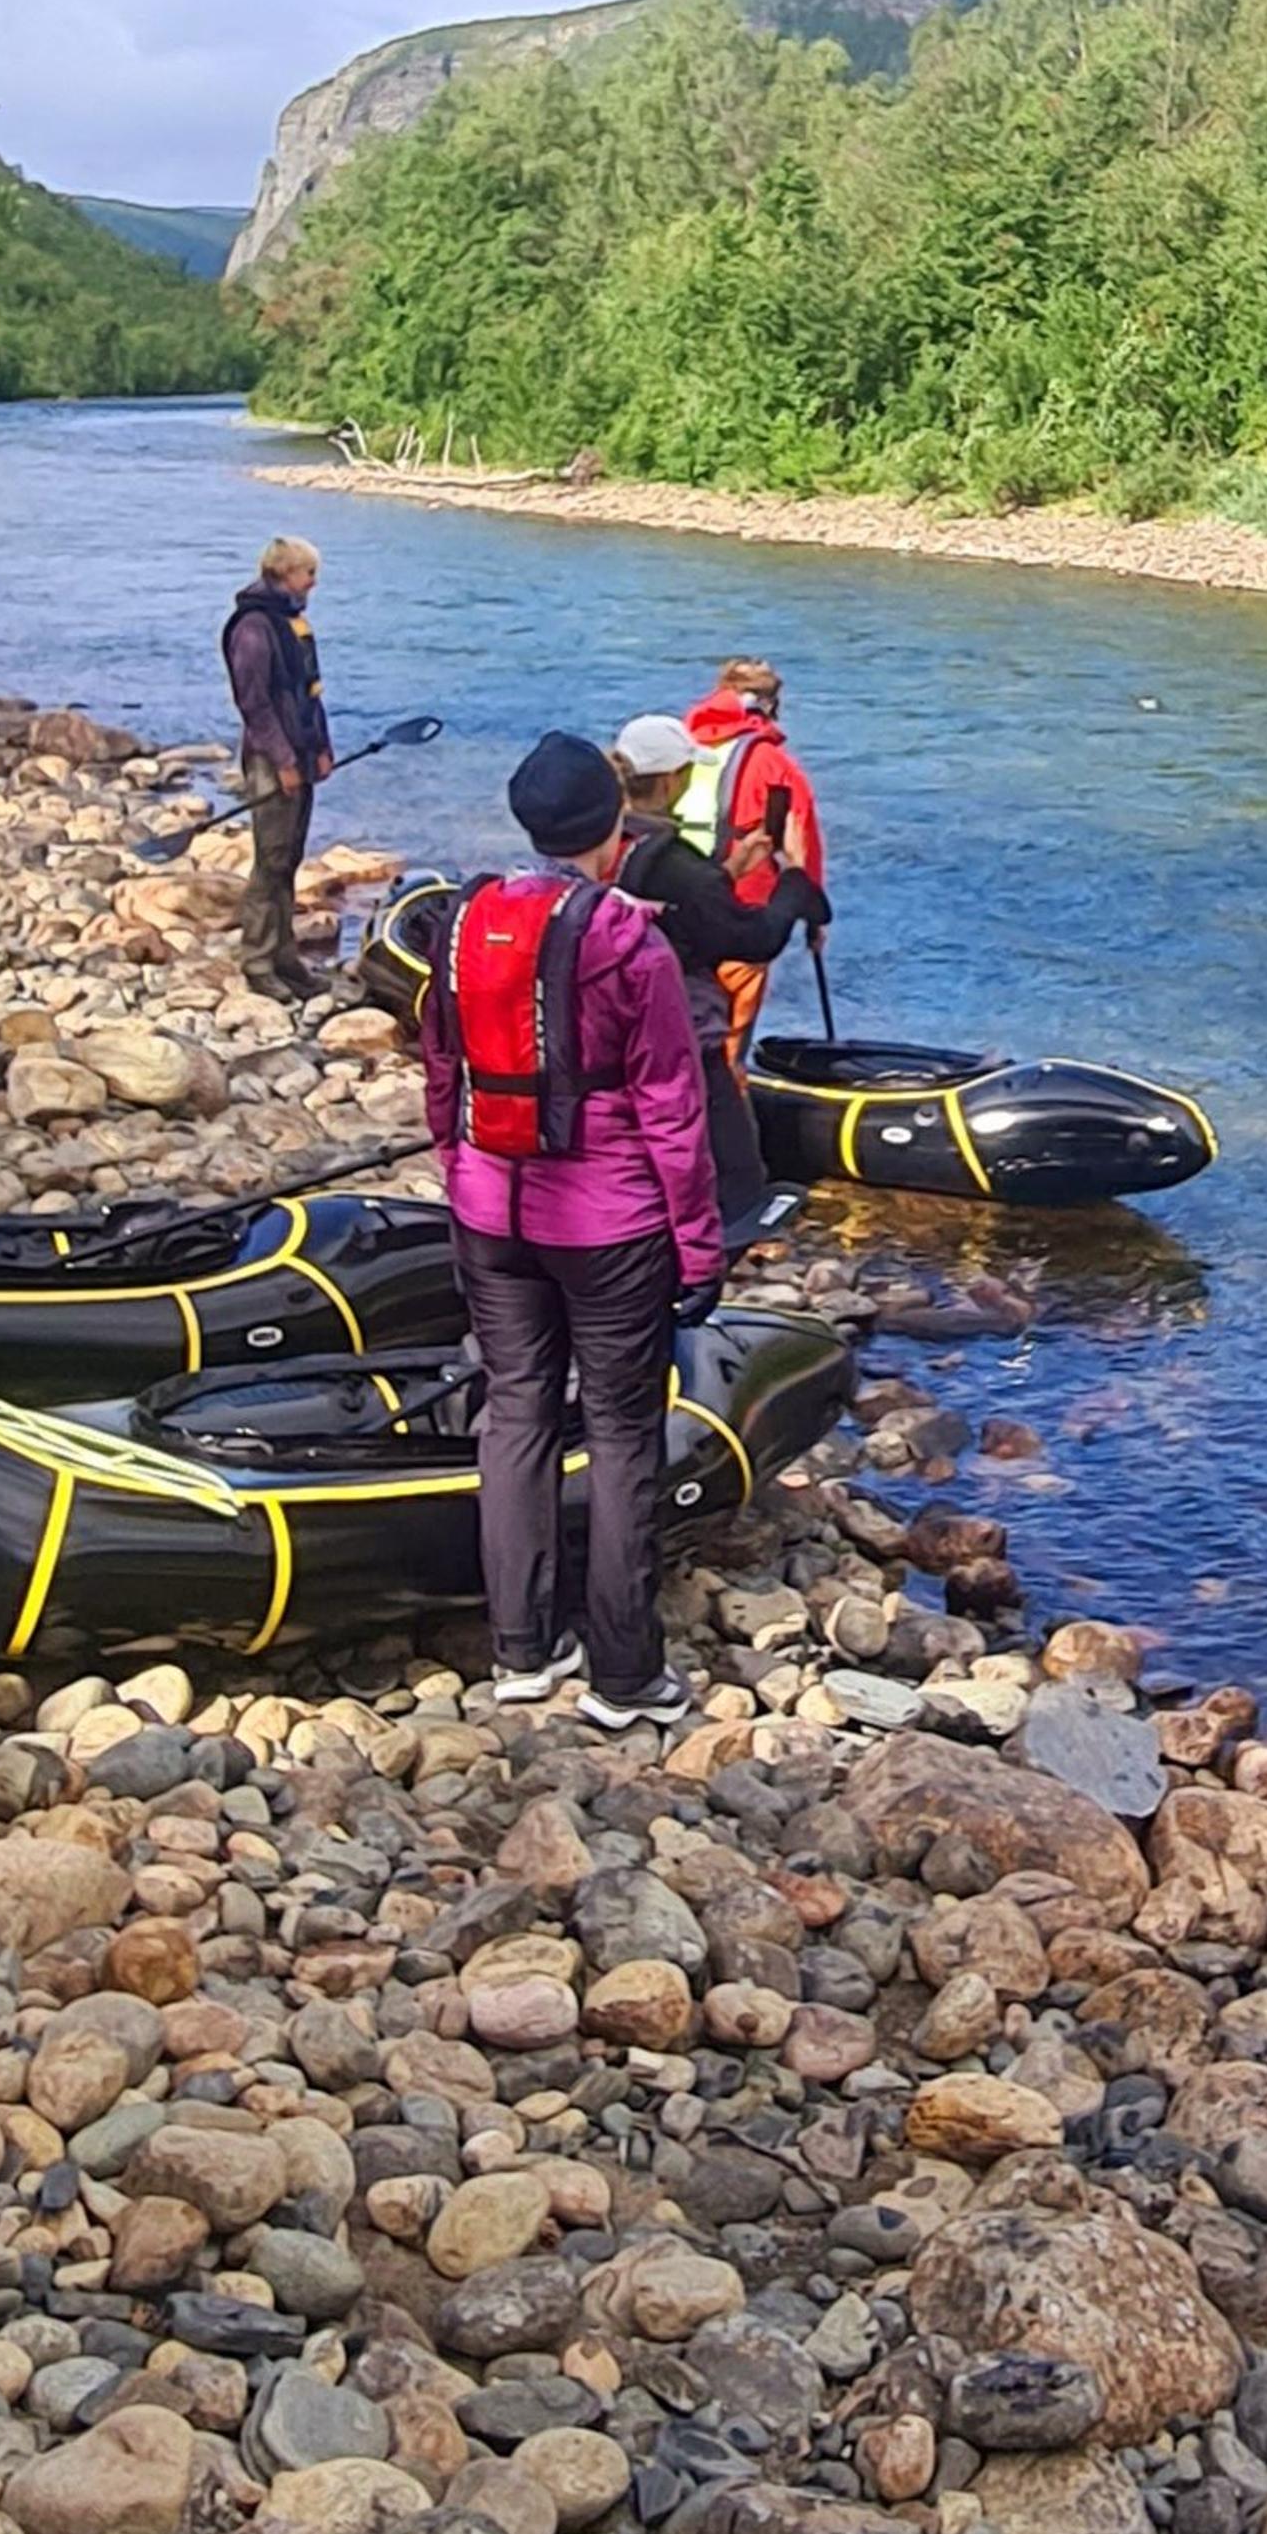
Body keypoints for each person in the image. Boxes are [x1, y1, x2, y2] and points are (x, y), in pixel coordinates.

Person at [420, 731, 720, 1730]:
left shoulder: (463, 921)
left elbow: (441, 1069)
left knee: (516, 1410)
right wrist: (699, 1248)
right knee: (625, 1433)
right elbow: (672, 1109)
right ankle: (625, 1675)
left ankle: (521, 1649)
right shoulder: (631, 943)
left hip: (489, 1209)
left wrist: (457, 1165)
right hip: (609, 1225)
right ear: (614, 825)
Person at [612, 711, 831, 1262]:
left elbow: (679, 911)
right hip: (684, 1027)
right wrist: (793, 878)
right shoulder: (676, 863)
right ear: (671, 781)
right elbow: (754, 939)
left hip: (624, 1026)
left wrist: (729, 870)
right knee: (736, 1168)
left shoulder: (616, 844)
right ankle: (709, 1263)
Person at [675, 657, 829, 1054]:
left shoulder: (681, 749)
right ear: (771, 705)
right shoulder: (775, 765)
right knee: (728, 1038)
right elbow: (801, 845)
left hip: (675, 909)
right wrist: (813, 919)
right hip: (744, 915)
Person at [220, 534, 332, 1001]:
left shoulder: (292, 622)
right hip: (272, 758)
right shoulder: (253, 629)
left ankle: (286, 957)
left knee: (290, 859)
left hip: (301, 753)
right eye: (309, 574)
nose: (314, 583)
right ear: (285, 573)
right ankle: (259, 961)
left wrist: (321, 747)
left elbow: (309, 693)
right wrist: (284, 760)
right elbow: (255, 705)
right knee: (271, 860)